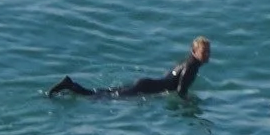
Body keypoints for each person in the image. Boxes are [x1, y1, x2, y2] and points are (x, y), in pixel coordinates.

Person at [47, 38, 211, 99]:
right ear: (194, 51)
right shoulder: (192, 67)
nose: (207, 55)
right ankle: (70, 85)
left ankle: (71, 86)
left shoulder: (185, 62)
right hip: (146, 89)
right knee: (99, 97)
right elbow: (181, 90)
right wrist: (190, 103)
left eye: (208, 52)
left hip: (147, 84)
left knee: (105, 92)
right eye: (203, 52)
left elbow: (171, 79)